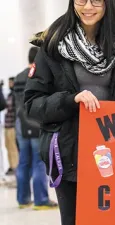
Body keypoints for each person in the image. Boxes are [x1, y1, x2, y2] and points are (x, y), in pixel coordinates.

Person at [24, 0, 115, 224]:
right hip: (68, 153)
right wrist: (70, 99)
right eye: (81, 0)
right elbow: (32, 104)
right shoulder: (53, 45)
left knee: (113, 219)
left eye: (96, 1)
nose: (88, 7)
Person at [14, 47, 58, 209]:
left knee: (23, 162)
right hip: (35, 122)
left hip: (20, 123)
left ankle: (22, 199)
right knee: (39, 162)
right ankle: (41, 200)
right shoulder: (37, 74)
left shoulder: (19, 76)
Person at [4, 77, 19, 175]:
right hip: (7, 125)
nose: (10, 84)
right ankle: (11, 165)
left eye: (11, 82)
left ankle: (15, 167)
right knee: (8, 146)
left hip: (12, 126)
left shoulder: (15, 95)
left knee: (13, 148)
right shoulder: (10, 94)